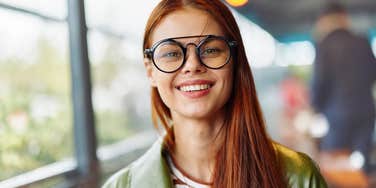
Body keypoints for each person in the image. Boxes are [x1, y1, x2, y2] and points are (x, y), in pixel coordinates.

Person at [103, 0, 327, 187]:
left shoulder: (298, 177)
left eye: (210, 50)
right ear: (150, 71)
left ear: (235, 60)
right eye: (171, 53)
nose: (192, 65)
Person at [311, 2, 376, 174]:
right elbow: (373, 74)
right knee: (362, 164)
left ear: (324, 21)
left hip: (337, 117)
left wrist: (316, 108)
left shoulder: (324, 44)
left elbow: (319, 82)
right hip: (365, 113)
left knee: (338, 166)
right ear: (344, 18)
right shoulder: (362, 41)